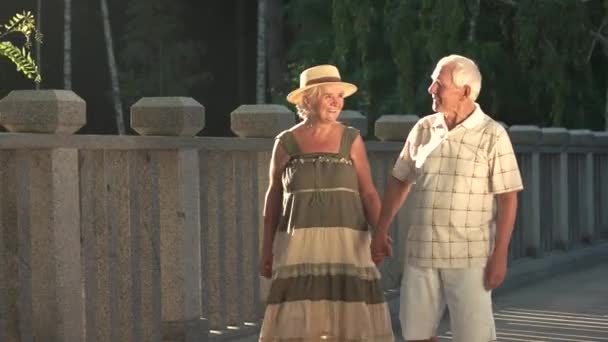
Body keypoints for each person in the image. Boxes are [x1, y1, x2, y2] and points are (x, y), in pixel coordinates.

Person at [372, 55, 523, 342]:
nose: (430, 89)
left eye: (438, 84)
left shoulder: (493, 135)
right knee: (416, 335)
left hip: (469, 257)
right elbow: (399, 180)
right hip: (421, 254)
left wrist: (500, 255)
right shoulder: (423, 129)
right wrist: (380, 230)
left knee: (473, 337)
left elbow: (508, 198)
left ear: (465, 92)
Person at [258, 64, 394, 342]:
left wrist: (380, 234)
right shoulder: (285, 143)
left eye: (340, 96)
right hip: (298, 246)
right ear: (308, 100)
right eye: (328, 96)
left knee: (350, 316)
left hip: (347, 243)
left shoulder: (351, 139)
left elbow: (368, 193)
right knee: (297, 320)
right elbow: (273, 198)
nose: (336, 102)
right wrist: (266, 250)